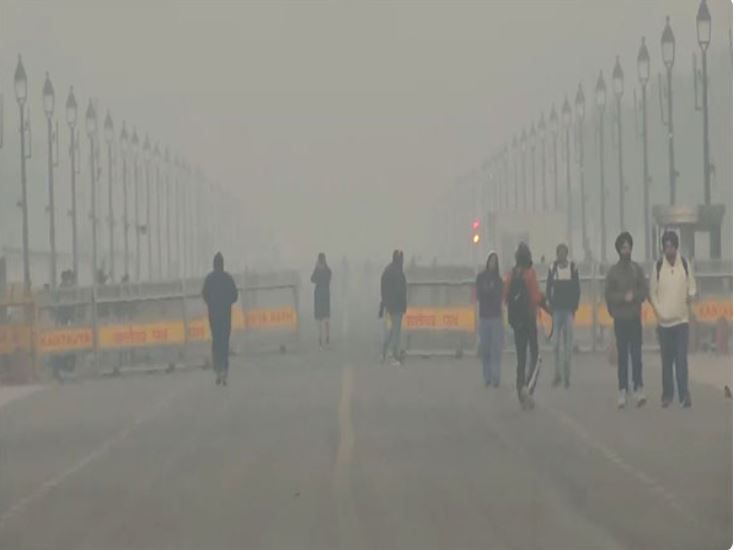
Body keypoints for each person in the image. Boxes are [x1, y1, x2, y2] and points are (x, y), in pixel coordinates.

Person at [650, 231, 696, 408]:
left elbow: (692, 286)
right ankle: (667, 395)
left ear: (676, 247)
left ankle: (684, 395)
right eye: (666, 246)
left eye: (671, 246)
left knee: (681, 360)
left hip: (681, 321)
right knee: (667, 361)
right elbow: (652, 292)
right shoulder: (658, 265)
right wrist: (659, 311)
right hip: (664, 323)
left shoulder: (684, 264)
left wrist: (691, 296)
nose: (668, 249)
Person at [605, 232, 648, 409]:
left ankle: (638, 388)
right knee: (622, 356)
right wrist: (624, 297)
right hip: (621, 319)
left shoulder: (637, 269)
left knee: (637, 355)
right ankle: (622, 390)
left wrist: (634, 296)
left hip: (635, 318)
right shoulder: (613, 272)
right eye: (623, 247)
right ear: (618, 250)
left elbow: (643, 291)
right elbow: (609, 295)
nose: (626, 250)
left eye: (628, 246)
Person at [504, 243, 545, 408]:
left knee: (521, 357)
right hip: (529, 319)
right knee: (534, 355)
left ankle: (520, 389)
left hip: (516, 321)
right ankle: (528, 387)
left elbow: (505, 296)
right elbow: (535, 297)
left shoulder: (511, 274)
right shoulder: (530, 274)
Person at [546, 243, 580, 388]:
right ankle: (557, 374)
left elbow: (577, 289)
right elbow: (548, 288)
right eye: (559, 253)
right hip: (557, 311)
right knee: (555, 345)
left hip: (568, 311)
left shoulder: (573, 268)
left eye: (563, 253)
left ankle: (567, 376)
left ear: (566, 254)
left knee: (568, 345)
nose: (561, 255)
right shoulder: (552, 268)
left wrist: (574, 307)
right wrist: (550, 305)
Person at [202, 252, 238, 386]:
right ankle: (224, 369)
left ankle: (217, 369)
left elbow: (204, 294)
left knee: (216, 341)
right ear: (223, 264)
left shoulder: (209, 279)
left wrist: (212, 303)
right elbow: (235, 296)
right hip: (226, 315)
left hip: (213, 315)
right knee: (224, 341)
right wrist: (227, 302)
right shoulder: (228, 278)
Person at [476, 251, 504, 388]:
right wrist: (489, 291)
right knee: (485, 349)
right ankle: (487, 377)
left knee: (496, 350)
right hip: (484, 317)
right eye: (491, 260)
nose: (493, 263)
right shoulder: (480, 277)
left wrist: (489, 291)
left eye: (495, 261)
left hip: (496, 317)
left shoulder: (499, 280)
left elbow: (498, 295)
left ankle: (496, 377)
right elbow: (480, 294)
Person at [380, 250, 407, 366]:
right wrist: (403, 304)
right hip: (397, 305)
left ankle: (384, 351)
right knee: (396, 331)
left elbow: (383, 288)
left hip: (390, 304)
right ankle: (393, 356)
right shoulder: (398, 272)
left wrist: (384, 303)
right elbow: (401, 290)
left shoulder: (387, 270)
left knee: (392, 330)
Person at [311, 252, 332, 349]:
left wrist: (317, 268)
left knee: (319, 318)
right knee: (326, 317)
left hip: (318, 294)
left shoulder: (318, 270)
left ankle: (320, 338)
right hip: (325, 294)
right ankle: (327, 337)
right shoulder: (327, 270)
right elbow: (329, 277)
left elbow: (312, 279)